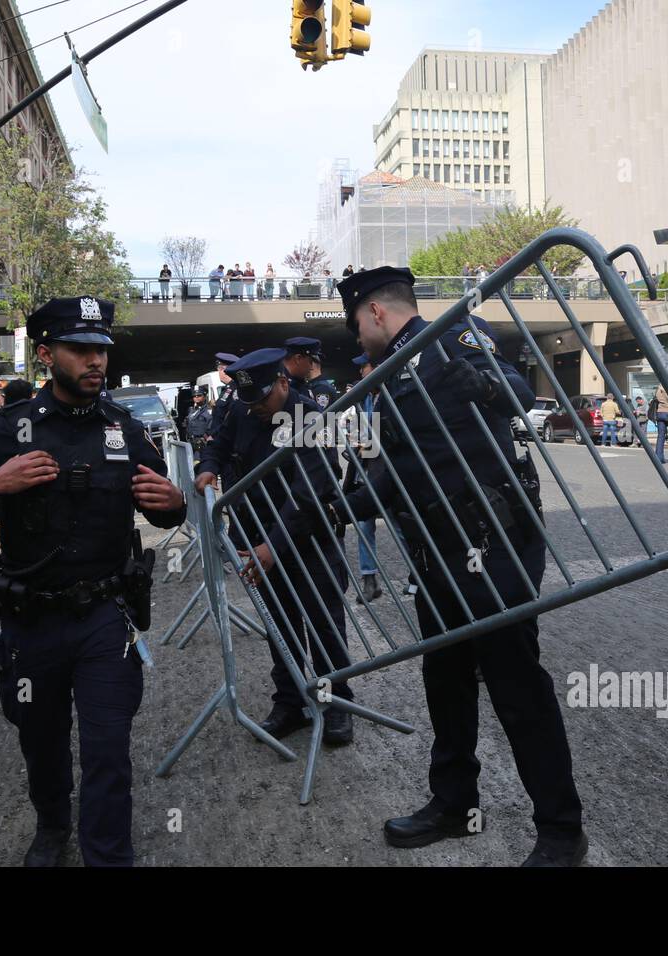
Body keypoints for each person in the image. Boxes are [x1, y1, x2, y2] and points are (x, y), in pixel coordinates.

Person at [0, 296, 186, 867]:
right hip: (32, 622)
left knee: (108, 749)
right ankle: (51, 826)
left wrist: (176, 503)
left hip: (106, 619)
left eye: (101, 350)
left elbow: (163, 507)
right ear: (45, 354)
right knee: (41, 744)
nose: (96, 361)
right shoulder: (6, 430)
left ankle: (108, 855)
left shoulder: (124, 427)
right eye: (80, 349)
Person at [334, 266, 586, 867]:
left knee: (516, 683)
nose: (355, 339)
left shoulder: (451, 335)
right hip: (437, 550)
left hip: (492, 540)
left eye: (355, 324)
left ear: (374, 313)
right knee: (445, 678)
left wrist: (472, 380)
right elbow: (392, 469)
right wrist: (340, 503)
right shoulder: (388, 375)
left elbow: (518, 392)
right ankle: (453, 804)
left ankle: (560, 829)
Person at [195, 349, 356, 745]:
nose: (258, 409)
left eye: (263, 399)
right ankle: (289, 702)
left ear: (283, 381)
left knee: (323, 624)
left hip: (308, 540)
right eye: (251, 401)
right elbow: (219, 443)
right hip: (258, 539)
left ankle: (336, 703)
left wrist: (273, 546)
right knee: (278, 626)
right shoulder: (244, 410)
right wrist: (207, 467)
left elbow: (307, 493)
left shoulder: (312, 419)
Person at [347, 354, 383, 604]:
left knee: (401, 525)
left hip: (388, 473)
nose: (361, 372)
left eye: (364, 367)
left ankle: (418, 577)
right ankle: (369, 580)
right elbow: (361, 432)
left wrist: (367, 444)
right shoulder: (366, 397)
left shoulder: (391, 394)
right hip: (366, 472)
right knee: (363, 524)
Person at [282, 337, 336, 409]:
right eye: (310, 362)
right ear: (298, 359)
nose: (311, 367)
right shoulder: (280, 384)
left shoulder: (299, 384)